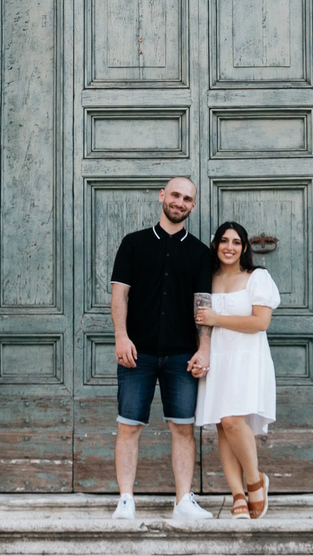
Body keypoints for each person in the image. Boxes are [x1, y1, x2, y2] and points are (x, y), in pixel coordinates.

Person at [108, 176, 213, 521]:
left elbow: (202, 305)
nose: (180, 202)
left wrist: (204, 348)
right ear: (162, 196)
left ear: (192, 206)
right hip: (137, 351)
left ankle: (183, 500)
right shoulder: (133, 243)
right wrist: (121, 337)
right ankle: (125, 499)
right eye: (175, 195)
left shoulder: (200, 253)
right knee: (129, 425)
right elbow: (119, 293)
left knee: (182, 427)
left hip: (182, 353)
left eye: (187, 199)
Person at [192, 220, 280, 519]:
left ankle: (255, 480)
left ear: (244, 248)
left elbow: (260, 322)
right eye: (224, 241)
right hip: (217, 357)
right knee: (222, 426)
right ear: (216, 245)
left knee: (232, 420)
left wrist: (218, 319)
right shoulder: (208, 278)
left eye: (236, 242)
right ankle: (237, 495)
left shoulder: (257, 277)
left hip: (247, 357)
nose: (229, 247)